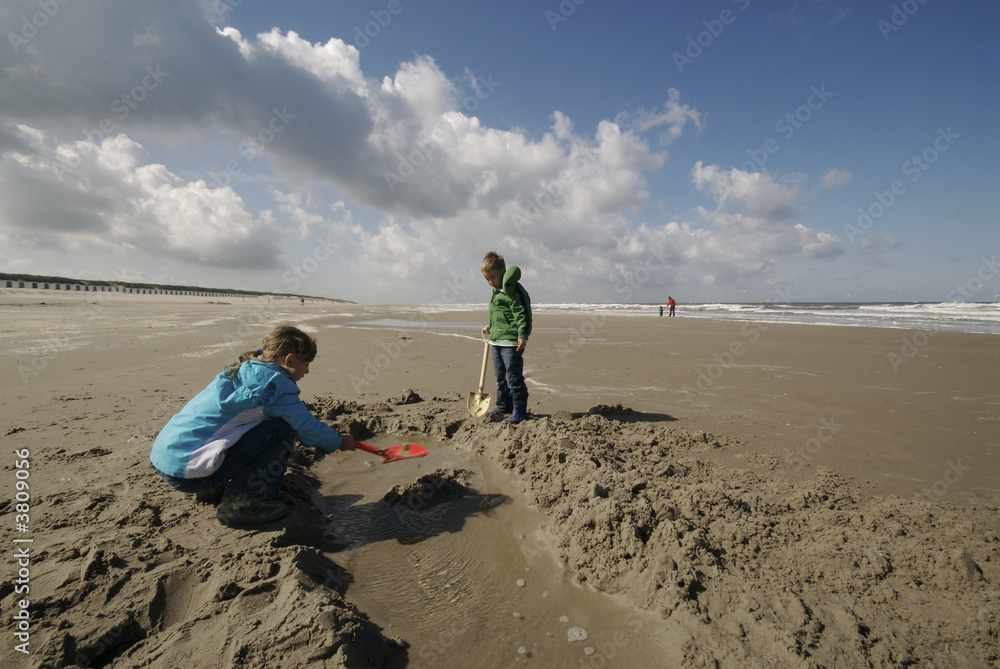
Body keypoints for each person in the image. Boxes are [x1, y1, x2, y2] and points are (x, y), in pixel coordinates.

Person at [150, 325, 355, 527]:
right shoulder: (278, 388)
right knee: (281, 428)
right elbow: (309, 430)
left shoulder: (243, 370)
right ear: (289, 360)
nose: (307, 371)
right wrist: (338, 441)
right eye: (307, 364)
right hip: (189, 475)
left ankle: (212, 488)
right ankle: (244, 503)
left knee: (245, 424)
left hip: (167, 459)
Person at [481, 251, 532, 424]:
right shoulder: (495, 291)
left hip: (511, 342)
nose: (490, 282)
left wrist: (522, 335)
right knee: (501, 377)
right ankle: (504, 407)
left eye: (493, 278)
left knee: (513, 377)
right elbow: (498, 314)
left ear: (502, 271)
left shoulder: (511, 289)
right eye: (487, 279)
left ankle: (520, 410)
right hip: (496, 340)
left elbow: (520, 313)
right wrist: (491, 327)